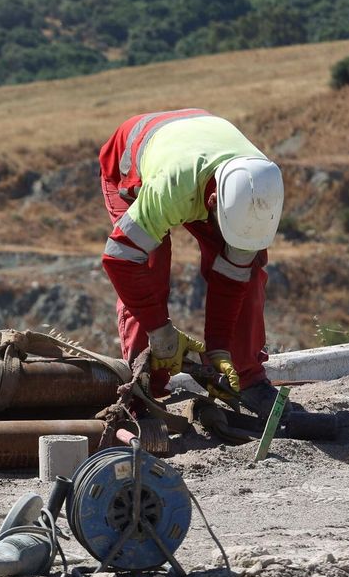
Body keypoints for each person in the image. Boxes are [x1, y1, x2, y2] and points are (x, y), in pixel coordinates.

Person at [97, 108, 284, 414]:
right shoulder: (171, 189)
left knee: (248, 270)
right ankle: (145, 385)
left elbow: (234, 274)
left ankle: (246, 377)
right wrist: (160, 330)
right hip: (132, 163)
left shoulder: (259, 189)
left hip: (202, 147)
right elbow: (120, 259)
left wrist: (220, 345)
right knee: (149, 266)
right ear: (212, 203)